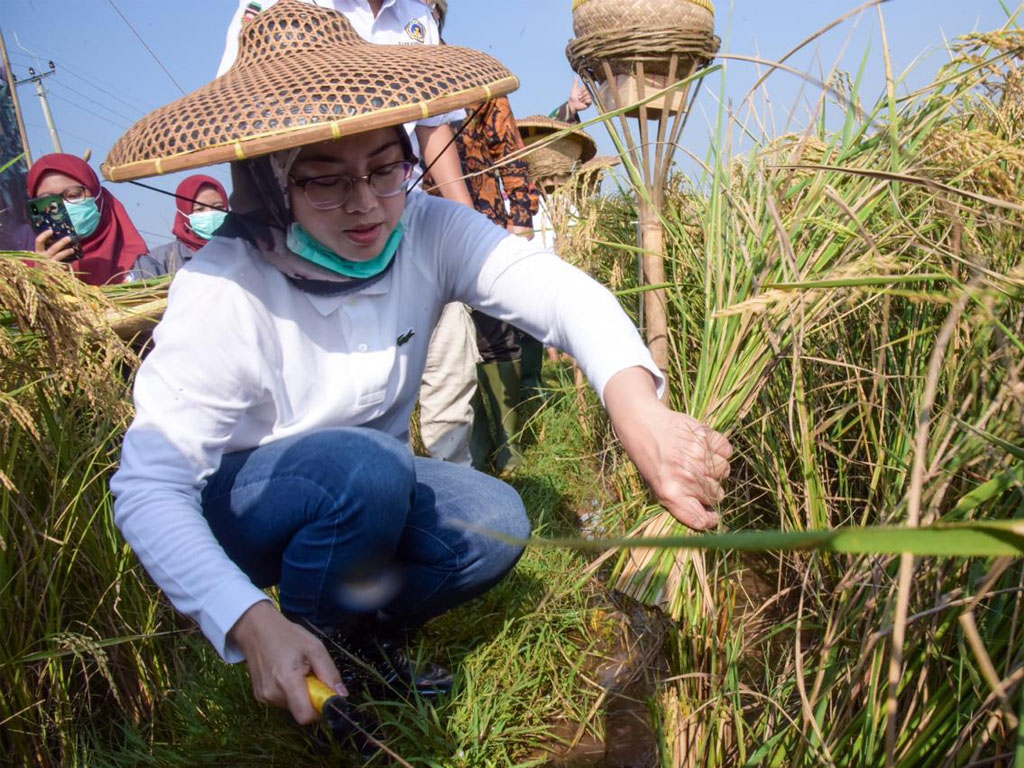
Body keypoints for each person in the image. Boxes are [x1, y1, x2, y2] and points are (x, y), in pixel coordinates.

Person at [107, 1, 731, 732]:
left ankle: (364, 637)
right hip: (252, 504)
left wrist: (638, 408)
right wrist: (247, 620)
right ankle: (314, 655)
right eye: (325, 180)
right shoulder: (225, 286)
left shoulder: (425, 227)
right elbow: (147, 486)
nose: (367, 203)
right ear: (274, 183)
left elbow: (562, 295)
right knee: (363, 467)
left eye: (384, 166)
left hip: (372, 484)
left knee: (494, 520)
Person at [219, 0, 480, 465]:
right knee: (336, 390)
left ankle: (446, 481)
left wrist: (467, 230)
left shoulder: (415, 17)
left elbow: (434, 128)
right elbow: (242, 123)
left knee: (449, 350)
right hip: (312, 226)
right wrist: (264, 246)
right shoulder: (279, 9)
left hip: (399, 205)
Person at [27, 153, 148, 285]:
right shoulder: (21, 275)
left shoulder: (143, 268)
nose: (64, 208)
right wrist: (40, 282)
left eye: (73, 195)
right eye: (49, 201)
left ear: (98, 198)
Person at [131, 175, 229, 278]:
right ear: (184, 213)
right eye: (200, 209)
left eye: (218, 207)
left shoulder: (242, 251)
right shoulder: (161, 260)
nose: (211, 213)